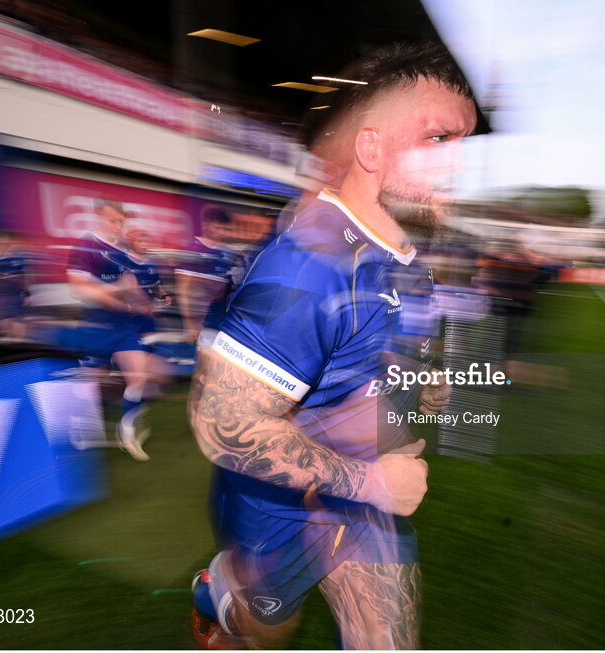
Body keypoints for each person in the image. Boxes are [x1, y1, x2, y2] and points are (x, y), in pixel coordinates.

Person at [187, 42, 475, 649]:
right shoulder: (305, 271)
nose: (457, 164)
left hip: (365, 504)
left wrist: (414, 381)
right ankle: (221, 589)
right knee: (265, 630)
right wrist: (372, 483)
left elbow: (376, 349)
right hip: (281, 510)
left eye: (462, 144)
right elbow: (223, 422)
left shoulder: (407, 260)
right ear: (371, 148)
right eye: (437, 140)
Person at [66, 197, 164, 462]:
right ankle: (79, 429)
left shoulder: (121, 251)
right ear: (98, 217)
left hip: (123, 327)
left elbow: (129, 286)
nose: (118, 226)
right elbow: (79, 289)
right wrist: (116, 294)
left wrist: (140, 303)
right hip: (95, 327)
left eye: (121, 221)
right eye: (112, 221)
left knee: (138, 378)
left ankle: (127, 433)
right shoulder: (86, 246)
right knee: (90, 386)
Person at [173, 206, 247, 344]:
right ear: (205, 225)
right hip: (198, 319)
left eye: (224, 228)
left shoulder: (230, 254)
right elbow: (184, 289)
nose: (221, 232)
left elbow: (232, 289)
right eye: (217, 227)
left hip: (220, 320)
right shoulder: (193, 249)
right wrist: (190, 324)